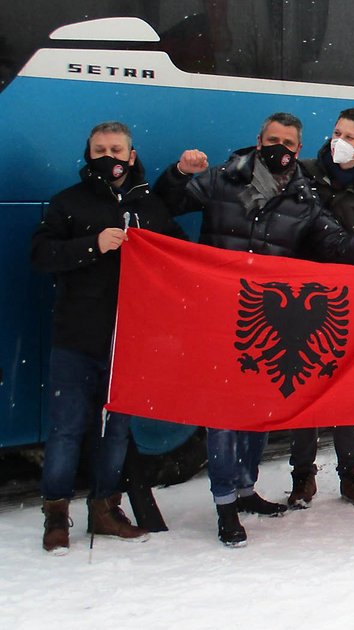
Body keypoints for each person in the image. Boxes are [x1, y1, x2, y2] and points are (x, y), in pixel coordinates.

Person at [155, 112, 354, 546]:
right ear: (258, 140)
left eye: (289, 144)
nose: (281, 149)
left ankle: (247, 488)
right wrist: (179, 173)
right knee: (222, 413)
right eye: (274, 140)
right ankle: (225, 503)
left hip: (259, 318)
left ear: (298, 149)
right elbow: (166, 204)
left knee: (256, 408)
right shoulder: (223, 177)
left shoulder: (304, 197)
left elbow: (338, 248)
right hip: (218, 312)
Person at [31, 121, 186, 554]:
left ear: (131, 155)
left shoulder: (149, 205)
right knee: (66, 430)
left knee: (116, 430)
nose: (109, 157)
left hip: (130, 343)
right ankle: (56, 515)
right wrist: (92, 245)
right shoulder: (68, 203)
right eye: (100, 149)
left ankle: (105, 508)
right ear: (88, 153)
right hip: (76, 339)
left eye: (117, 149)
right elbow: (41, 256)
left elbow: (178, 257)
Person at [289, 107, 354, 510]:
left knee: (344, 393)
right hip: (299, 302)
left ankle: (352, 476)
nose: (340, 141)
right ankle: (303, 478)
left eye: (350, 137)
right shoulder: (304, 174)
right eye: (337, 132)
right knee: (301, 390)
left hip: (346, 308)